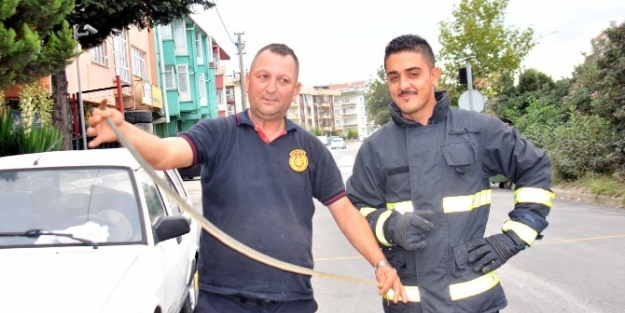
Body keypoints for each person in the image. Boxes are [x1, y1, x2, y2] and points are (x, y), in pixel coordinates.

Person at [87, 43, 406, 313]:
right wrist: (124, 129)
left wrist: (381, 264)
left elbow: (346, 212)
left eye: (283, 80)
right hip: (222, 299)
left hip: (291, 301)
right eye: (264, 77)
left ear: (295, 91)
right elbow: (163, 154)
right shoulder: (216, 134)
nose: (271, 87)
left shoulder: (310, 149)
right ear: (249, 81)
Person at [346, 34, 554, 313]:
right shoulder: (375, 148)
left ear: (434, 75)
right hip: (409, 305)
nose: (403, 85)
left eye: (413, 74)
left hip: (473, 304)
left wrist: (512, 239)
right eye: (393, 77)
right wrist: (390, 226)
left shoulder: (479, 131)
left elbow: (535, 169)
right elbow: (355, 212)